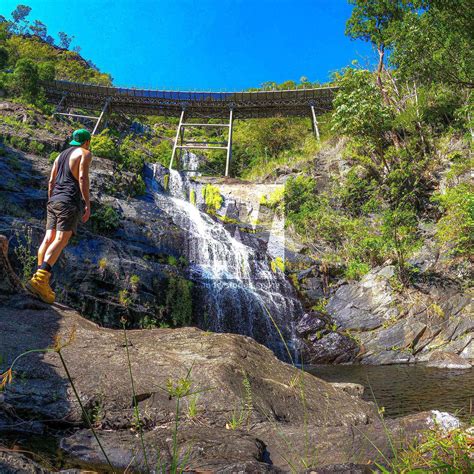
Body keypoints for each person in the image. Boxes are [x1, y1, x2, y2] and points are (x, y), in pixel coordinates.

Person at [27, 129, 93, 304]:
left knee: (48, 238)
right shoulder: (84, 153)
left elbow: (51, 181)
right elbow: (82, 178)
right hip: (69, 200)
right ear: (87, 142)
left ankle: (39, 279)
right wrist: (87, 203)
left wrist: (52, 199)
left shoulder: (59, 156)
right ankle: (40, 280)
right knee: (61, 239)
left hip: (54, 199)